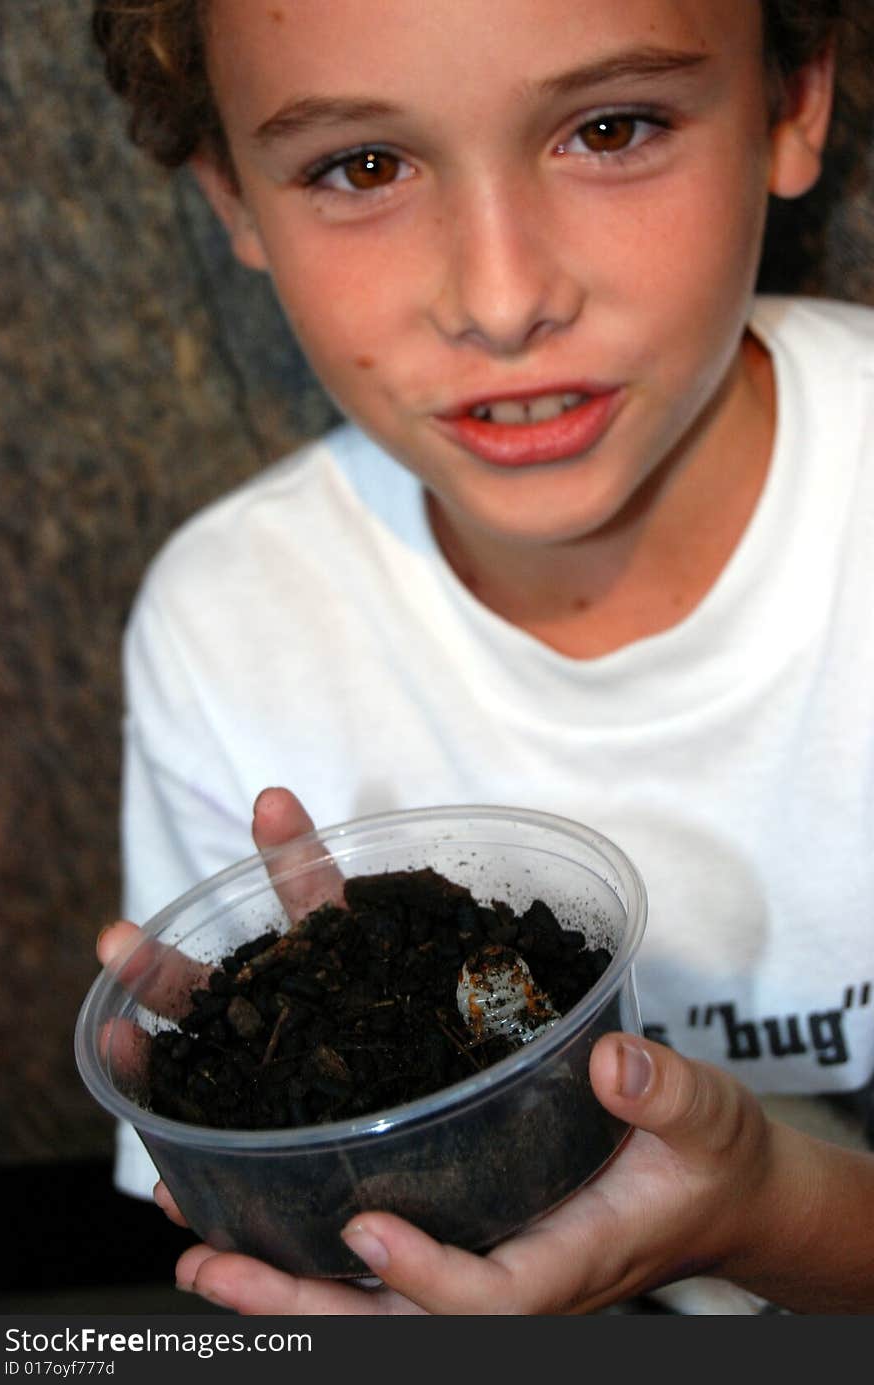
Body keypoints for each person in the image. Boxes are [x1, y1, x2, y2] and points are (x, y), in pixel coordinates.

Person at [91, 0, 874, 1314]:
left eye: (611, 129)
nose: (503, 299)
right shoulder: (229, 628)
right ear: (233, 195)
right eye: (363, 167)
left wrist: (768, 1212)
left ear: (795, 101)